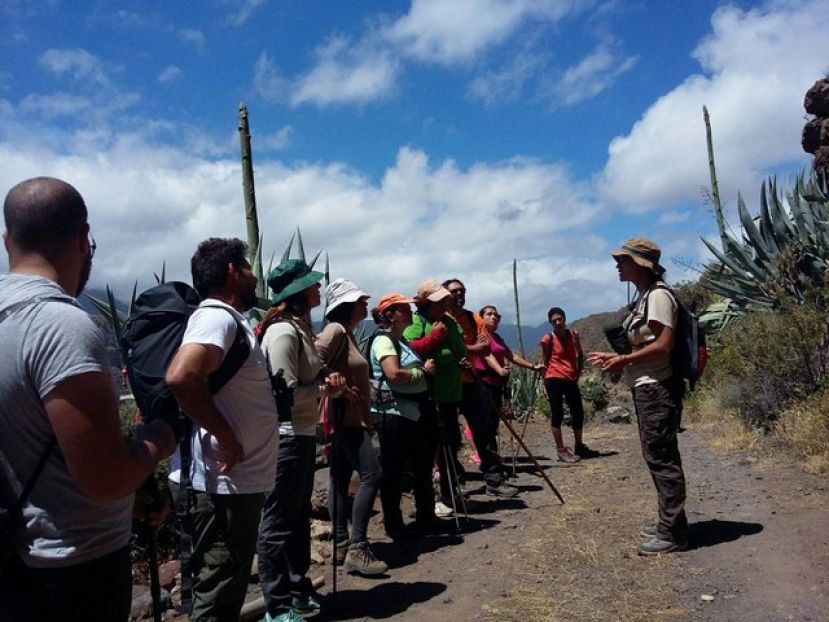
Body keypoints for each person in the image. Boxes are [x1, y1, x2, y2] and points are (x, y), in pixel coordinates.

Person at [0, 177, 176, 621]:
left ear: (7, 241)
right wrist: (155, 440)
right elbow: (105, 479)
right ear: (84, 240)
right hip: (73, 569)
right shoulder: (61, 326)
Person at [166, 238, 280, 620]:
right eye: (248, 268)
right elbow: (183, 377)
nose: (253, 276)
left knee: (226, 590)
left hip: (234, 484)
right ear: (233, 270)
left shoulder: (232, 321)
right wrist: (226, 436)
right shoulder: (215, 316)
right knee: (217, 596)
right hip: (222, 486)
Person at [257, 259, 346, 622]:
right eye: (312, 285)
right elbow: (284, 393)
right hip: (287, 435)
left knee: (295, 517)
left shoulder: (296, 328)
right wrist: (328, 388)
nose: (318, 289)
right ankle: (277, 605)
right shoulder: (283, 333)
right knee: (278, 519)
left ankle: (297, 591)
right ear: (297, 294)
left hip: (301, 434)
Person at [587, 238, 688, 555]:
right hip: (648, 385)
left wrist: (623, 361)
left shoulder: (658, 297)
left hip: (657, 386)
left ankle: (673, 533)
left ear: (641, 265)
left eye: (623, 260)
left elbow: (663, 345)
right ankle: (670, 523)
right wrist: (618, 357)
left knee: (661, 456)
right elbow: (646, 344)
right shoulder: (646, 296)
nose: (618, 265)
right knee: (656, 454)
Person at [316, 279, 387, 576]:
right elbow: (313, 357)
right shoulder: (335, 330)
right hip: (345, 418)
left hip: (346, 418)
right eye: (360, 300)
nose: (365, 302)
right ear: (346, 305)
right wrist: (334, 380)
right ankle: (357, 546)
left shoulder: (349, 334)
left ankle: (342, 543)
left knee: (340, 479)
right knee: (372, 474)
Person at [368, 293, 446, 538]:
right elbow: (393, 374)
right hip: (395, 413)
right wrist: (422, 372)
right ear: (390, 315)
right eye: (404, 309)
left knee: (418, 464)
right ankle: (395, 524)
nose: (411, 313)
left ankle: (425, 517)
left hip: (409, 412)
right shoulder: (384, 341)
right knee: (395, 468)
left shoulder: (398, 340)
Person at [443, 279, 517, 497]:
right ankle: (453, 483)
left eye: (462, 290)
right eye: (454, 291)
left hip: (470, 382)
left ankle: (494, 480)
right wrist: (470, 349)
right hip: (448, 383)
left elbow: (485, 346)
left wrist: (462, 349)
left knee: (484, 431)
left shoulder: (472, 318)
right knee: (450, 436)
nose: (459, 294)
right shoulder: (440, 319)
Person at [404, 279, 467, 516]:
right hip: (429, 396)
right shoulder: (416, 322)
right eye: (440, 300)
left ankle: (449, 493)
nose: (445, 303)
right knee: (430, 448)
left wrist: (461, 357)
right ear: (427, 302)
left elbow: (461, 346)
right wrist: (433, 338)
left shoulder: (448, 321)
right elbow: (407, 350)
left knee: (450, 445)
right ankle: (430, 500)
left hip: (450, 394)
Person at [540, 307, 597, 462]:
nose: (558, 322)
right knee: (557, 413)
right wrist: (544, 384)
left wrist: (577, 372)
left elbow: (580, 353)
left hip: (570, 378)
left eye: (560, 319)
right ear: (550, 323)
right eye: (554, 321)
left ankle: (579, 445)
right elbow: (545, 362)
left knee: (578, 411)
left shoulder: (573, 335)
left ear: (565, 319)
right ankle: (561, 449)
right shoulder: (548, 339)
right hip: (553, 378)